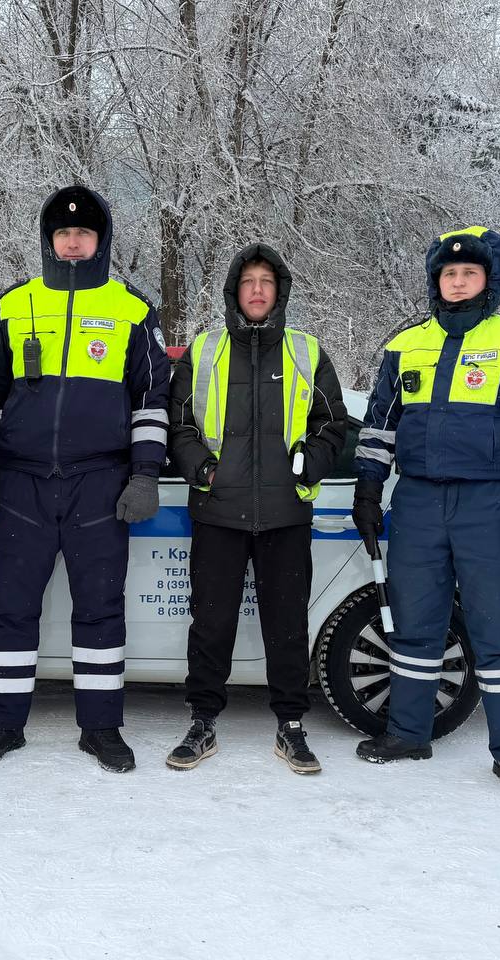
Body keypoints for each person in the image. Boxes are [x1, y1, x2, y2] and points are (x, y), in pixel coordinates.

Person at [351, 225, 500, 797]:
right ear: (435, 281)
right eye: (448, 273)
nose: (457, 281)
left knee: (498, 631)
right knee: (416, 626)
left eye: (469, 273)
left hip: (490, 503)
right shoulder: (405, 346)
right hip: (418, 501)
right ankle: (408, 734)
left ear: (489, 281)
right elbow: (379, 427)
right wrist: (368, 488)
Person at [0, 185, 169, 773]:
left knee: (100, 609)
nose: (73, 242)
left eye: (83, 234)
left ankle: (101, 729)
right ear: (49, 240)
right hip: (24, 484)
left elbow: (152, 400)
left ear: (100, 242)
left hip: (100, 484)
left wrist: (146, 474)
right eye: (63, 234)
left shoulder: (133, 309)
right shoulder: (15, 304)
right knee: (10, 608)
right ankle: (2, 726)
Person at [165, 244, 348, 773]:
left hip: (286, 514)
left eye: (268, 281)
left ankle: (291, 726)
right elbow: (178, 425)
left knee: (287, 625)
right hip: (217, 513)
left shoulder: (306, 352)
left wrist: (308, 463)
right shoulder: (204, 351)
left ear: (280, 290)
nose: (259, 290)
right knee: (211, 622)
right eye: (249, 282)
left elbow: (333, 423)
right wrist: (203, 469)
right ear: (234, 291)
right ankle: (202, 722)